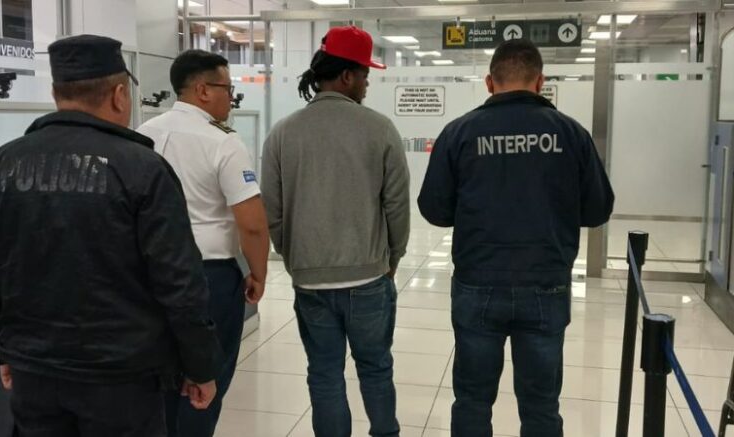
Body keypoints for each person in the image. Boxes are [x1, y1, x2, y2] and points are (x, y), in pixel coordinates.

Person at [0, 34, 220, 437]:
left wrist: (0, 350)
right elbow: (179, 282)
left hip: (35, 370)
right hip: (123, 376)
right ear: (119, 95)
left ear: (56, 93)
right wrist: (200, 364)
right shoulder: (143, 169)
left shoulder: (0, 166)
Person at [417, 39, 614, 437]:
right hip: (546, 284)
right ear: (540, 82)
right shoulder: (571, 134)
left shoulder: (459, 133)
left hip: (477, 284)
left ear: (490, 82)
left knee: (472, 400)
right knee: (541, 406)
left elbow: (434, 210)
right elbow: (598, 210)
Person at [261, 25, 410, 437]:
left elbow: (271, 208)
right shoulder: (379, 129)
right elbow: (396, 204)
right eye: (364, 75)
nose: (367, 83)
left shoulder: (283, 133)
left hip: (311, 281)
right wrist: (393, 257)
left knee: (324, 374)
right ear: (346, 76)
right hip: (368, 278)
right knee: (376, 368)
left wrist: (294, 255)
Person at [138, 49, 269, 437]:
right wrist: (258, 274)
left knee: (157, 380)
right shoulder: (223, 142)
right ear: (203, 90)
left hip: (146, 276)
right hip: (208, 278)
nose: (232, 98)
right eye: (227, 89)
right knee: (204, 383)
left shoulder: (143, 134)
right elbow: (252, 225)